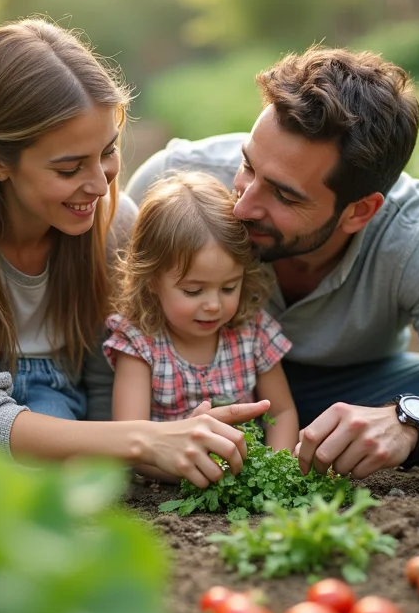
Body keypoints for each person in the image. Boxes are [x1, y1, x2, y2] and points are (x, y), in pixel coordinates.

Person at [0, 18, 267, 489]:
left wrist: (120, 463)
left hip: (48, 391)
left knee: (27, 503)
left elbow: (104, 372)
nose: (98, 184)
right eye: (68, 169)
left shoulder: (112, 224)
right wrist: (145, 439)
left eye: (107, 152)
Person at [111, 46, 419, 480]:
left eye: (284, 195)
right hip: (175, 393)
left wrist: (404, 424)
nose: (242, 206)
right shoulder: (172, 186)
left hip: (350, 389)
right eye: (247, 166)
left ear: (360, 211)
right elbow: (107, 346)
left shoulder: (416, 234)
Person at [103, 173, 299, 480]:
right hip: (174, 480)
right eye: (193, 291)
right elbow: (132, 440)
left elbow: (281, 411)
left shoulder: (251, 331)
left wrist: (275, 470)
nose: (213, 305)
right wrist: (196, 473)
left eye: (229, 287)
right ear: (152, 281)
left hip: (246, 473)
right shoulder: (140, 344)